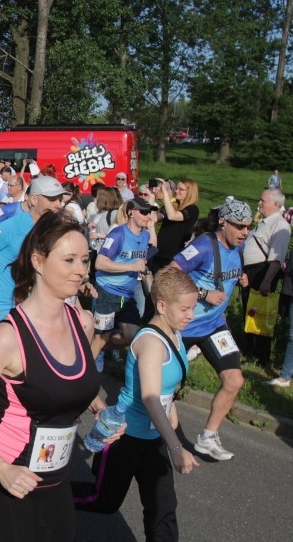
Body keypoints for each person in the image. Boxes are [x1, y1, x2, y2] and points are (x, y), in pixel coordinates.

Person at [0, 212, 117, 542]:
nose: (80, 270)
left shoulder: (83, 323)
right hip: (2, 474)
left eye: (84, 259)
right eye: (69, 260)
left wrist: (101, 410)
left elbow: (74, 381)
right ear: (38, 261)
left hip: (54, 474)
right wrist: (1, 469)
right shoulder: (9, 338)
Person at [73, 268, 200, 541]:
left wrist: (172, 415)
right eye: (186, 308)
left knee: (163, 508)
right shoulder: (151, 343)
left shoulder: (176, 334)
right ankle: (43, 498)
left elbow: (167, 387)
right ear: (162, 305)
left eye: (193, 307)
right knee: (103, 501)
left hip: (154, 438)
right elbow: (150, 398)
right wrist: (177, 447)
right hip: (125, 437)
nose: (192, 314)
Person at [169, 198, 251, 461]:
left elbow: (224, 273)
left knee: (234, 380)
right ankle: (152, 430)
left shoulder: (239, 246)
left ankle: (207, 437)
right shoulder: (203, 246)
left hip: (215, 325)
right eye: (240, 226)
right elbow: (170, 273)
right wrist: (203, 292)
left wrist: (240, 278)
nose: (245, 232)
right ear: (224, 222)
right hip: (185, 325)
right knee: (169, 384)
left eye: (249, 227)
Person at [0, 177, 68, 333]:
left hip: (37, 311)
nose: (58, 205)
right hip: (3, 312)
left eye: (60, 199)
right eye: (52, 199)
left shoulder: (55, 231)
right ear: (33, 199)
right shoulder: (12, 226)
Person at [90, 197, 156, 363]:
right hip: (107, 292)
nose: (148, 216)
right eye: (144, 212)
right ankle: (83, 375)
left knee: (132, 335)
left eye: (150, 212)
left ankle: (93, 347)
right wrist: (132, 267)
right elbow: (100, 263)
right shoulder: (118, 234)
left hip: (127, 295)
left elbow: (151, 249)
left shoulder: (145, 235)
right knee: (101, 338)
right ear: (130, 213)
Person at [240, 188, 290, 366]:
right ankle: (250, 349)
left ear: (275, 204)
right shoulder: (264, 222)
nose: (259, 203)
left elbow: (276, 259)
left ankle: (261, 355)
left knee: (260, 313)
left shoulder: (280, 225)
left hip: (263, 272)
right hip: (251, 271)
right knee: (249, 310)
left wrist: (267, 281)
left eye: (263, 200)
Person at [150, 179, 200, 274]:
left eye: (181, 189)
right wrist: (152, 196)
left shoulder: (192, 209)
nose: (176, 191)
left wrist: (165, 195)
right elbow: (152, 219)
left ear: (190, 193)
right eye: (177, 188)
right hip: (158, 254)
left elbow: (172, 216)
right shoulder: (172, 206)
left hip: (173, 258)